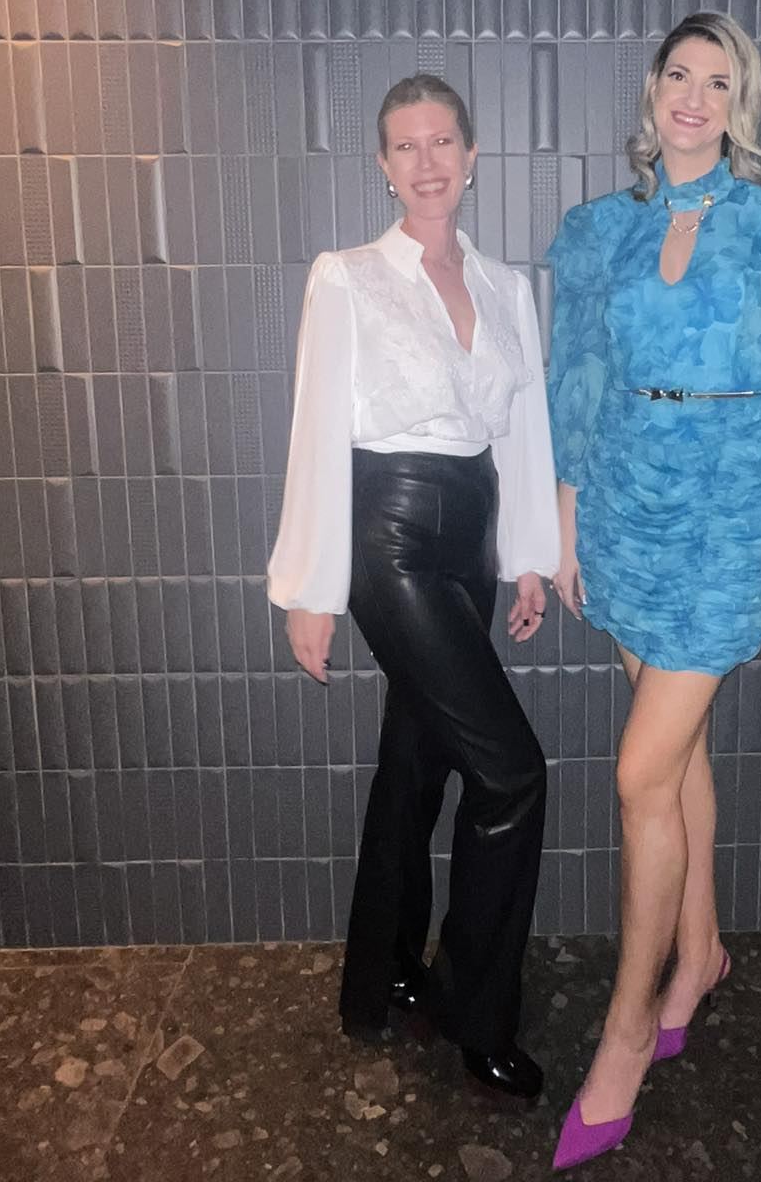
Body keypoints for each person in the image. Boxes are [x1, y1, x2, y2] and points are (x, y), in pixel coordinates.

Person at [546, 12, 761, 1166]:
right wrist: (568, 524)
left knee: (638, 775)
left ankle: (627, 1031)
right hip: (626, 512)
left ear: (739, 106)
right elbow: (577, 382)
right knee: (679, 758)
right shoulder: (600, 232)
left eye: (720, 82)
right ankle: (701, 955)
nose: (695, 96)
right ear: (653, 89)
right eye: (680, 73)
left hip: (732, 516)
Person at [266, 74, 560, 1100]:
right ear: (384, 166)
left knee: (416, 763)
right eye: (406, 145)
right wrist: (311, 586)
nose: (427, 161)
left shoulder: (507, 286)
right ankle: (478, 1014)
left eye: (443, 142)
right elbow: (316, 431)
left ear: (471, 156)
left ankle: (384, 971)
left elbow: (522, 429)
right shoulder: (347, 277)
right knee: (511, 774)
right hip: (388, 536)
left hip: (471, 536)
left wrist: (526, 554)